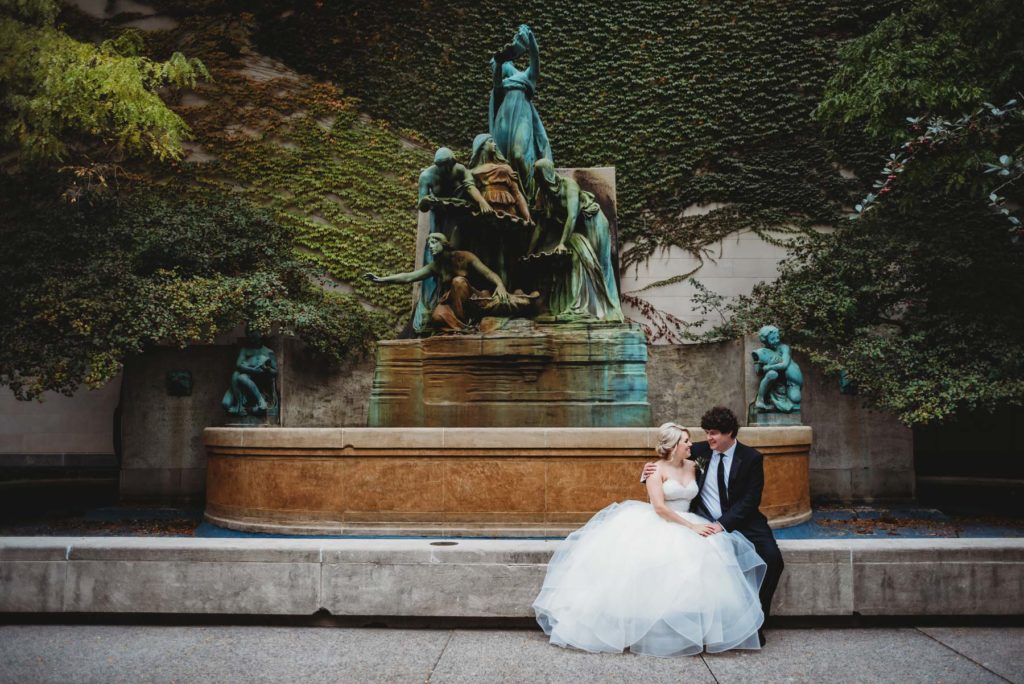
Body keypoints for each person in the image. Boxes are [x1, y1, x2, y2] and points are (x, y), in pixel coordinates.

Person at [534, 423, 766, 656]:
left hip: (692, 519)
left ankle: (697, 630)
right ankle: (654, 633)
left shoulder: (695, 465)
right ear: (674, 446)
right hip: (667, 521)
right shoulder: (655, 470)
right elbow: (659, 508)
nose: (692, 444)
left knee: (707, 566)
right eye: (686, 441)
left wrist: (697, 525)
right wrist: (690, 526)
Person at [642, 406, 785, 647]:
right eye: (707, 432)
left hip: (744, 520)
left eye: (715, 433)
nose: (709, 438)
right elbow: (667, 461)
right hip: (702, 519)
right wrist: (646, 472)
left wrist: (723, 525)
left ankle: (756, 622)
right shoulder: (698, 450)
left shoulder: (751, 458)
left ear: (730, 433)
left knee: (773, 560)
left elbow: (750, 501)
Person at [528, 159, 623, 322]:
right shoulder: (542, 194)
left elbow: (572, 217)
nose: (537, 179)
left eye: (539, 175)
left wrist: (562, 243)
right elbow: (540, 227)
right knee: (580, 261)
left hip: (591, 221)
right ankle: (583, 304)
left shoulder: (569, 186)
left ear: (547, 174)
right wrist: (530, 251)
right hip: (575, 229)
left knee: (601, 263)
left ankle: (611, 309)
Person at [414, 148, 494, 333]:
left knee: (458, 251)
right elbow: (422, 206)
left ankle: (466, 297)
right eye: (443, 166)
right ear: (437, 165)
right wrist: (426, 201)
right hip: (439, 217)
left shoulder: (459, 169)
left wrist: (482, 202)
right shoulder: (427, 176)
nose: (447, 169)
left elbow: (469, 185)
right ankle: (436, 302)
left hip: (459, 215)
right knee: (437, 252)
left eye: (449, 165)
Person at [365, 232, 511, 332]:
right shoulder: (436, 266)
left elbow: (488, 273)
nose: (431, 247)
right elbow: (408, 277)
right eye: (429, 245)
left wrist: (500, 285)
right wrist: (381, 279)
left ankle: (465, 322)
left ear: (444, 244)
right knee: (437, 316)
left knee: (458, 281)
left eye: (434, 243)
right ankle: (463, 330)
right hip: (452, 304)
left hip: (472, 299)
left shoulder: (464, 257)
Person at [489, 24, 553, 202]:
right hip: (504, 117)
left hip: (522, 115)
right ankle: (509, 193)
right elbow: (496, 84)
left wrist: (530, 39)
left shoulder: (527, 77)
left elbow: (535, 60)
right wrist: (499, 62)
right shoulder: (504, 79)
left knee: (518, 153)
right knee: (502, 157)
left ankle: (529, 196)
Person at [466, 133, 533, 287]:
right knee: (487, 250)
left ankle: (511, 287)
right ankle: (489, 288)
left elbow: (517, 194)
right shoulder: (473, 172)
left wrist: (527, 215)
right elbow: (470, 193)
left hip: (508, 212)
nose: (495, 145)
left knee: (509, 250)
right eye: (491, 142)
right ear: (482, 146)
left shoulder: (505, 168)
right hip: (487, 214)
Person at [221, 329, 278, 416]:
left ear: (260, 334)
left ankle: (260, 401)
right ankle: (241, 406)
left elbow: (274, 371)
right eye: (248, 334)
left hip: (258, 380)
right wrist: (253, 370)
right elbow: (238, 365)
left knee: (241, 377)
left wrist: (267, 369)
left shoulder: (268, 352)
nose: (249, 336)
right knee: (225, 404)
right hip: (240, 381)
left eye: (252, 333)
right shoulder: (245, 350)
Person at [752, 325, 803, 412]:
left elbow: (785, 365)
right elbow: (758, 372)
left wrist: (768, 367)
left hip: (790, 382)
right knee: (772, 374)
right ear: (765, 340)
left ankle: (775, 404)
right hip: (774, 380)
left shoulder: (784, 348)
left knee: (796, 398)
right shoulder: (762, 353)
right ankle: (760, 400)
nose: (777, 340)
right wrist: (770, 366)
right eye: (772, 339)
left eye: (777, 337)